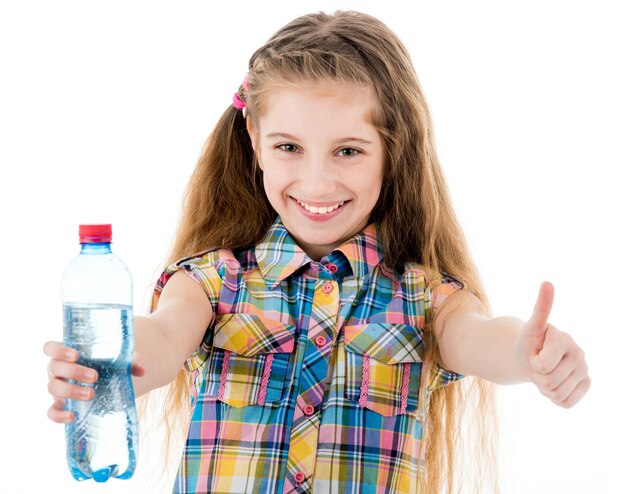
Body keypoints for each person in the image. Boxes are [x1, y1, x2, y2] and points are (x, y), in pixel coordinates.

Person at [44, 10, 590, 494]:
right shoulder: (212, 282)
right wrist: (112, 363)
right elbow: (162, 337)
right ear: (255, 139)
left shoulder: (425, 298)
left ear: (392, 150)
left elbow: (478, 337)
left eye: (348, 150)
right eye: (289, 147)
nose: (317, 181)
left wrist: (525, 354)